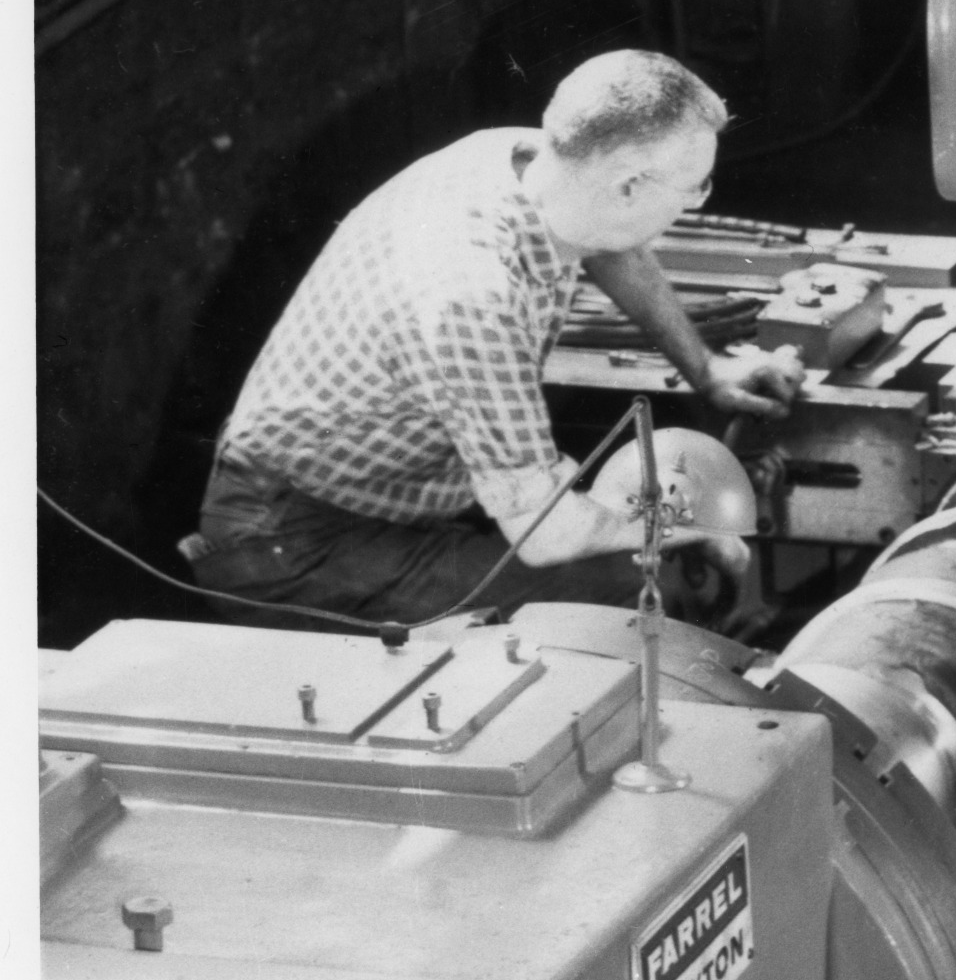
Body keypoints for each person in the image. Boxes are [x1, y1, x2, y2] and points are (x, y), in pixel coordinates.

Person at [187, 49, 803, 629]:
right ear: (628, 188)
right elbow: (548, 537)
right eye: (696, 187)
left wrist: (705, 369)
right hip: (295, 541)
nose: (696, 202)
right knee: (642, 589)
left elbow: (612, 242)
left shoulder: (527, 161)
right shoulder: (472, 297)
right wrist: (697, 525)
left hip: (386, 494)